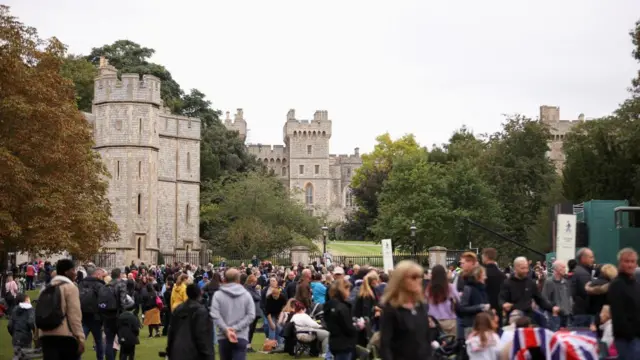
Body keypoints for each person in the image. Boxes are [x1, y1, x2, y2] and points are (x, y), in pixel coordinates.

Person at [379, 260, 434, 360]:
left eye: (419, 277)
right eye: (413, 277)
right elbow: (385, 346)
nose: (418, 280)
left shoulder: (420, 306)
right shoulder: (391, 310)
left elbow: (426, 340)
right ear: (400, 280)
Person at [38, 259, 86, 359]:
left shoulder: (45, 288)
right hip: (65, 335)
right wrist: (80, 337)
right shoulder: (70, 288)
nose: (75, 273)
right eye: (73, 270)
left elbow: (39, 312)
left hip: (45, 334)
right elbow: (74, 315)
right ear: (66, 272)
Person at [211, 268, 255, 360]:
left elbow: (215, 314)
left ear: (224, 279)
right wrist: (236, 328)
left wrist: (226, 329)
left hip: (223, 335)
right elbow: (251, 315)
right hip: (241, 335)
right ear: (238, 280)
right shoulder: (246, 295)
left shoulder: (218, 295)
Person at [499, 257, 558, 324]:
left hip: (529, 319)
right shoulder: (507, 283)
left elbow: (540, 300)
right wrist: (503, 304)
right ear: (515, 268)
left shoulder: (530, 283)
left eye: (526, 268)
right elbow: (501, 298)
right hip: (514, 319)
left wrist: (552, 308)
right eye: (522, 268)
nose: (526, 270)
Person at [167, 283, 214, 360]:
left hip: (177, 351)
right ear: (199, 294)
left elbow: (171, 331)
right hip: (193, 352)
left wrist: (169, 350)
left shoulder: (178, 309)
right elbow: (203, 336)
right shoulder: (201, 311)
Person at [608, 248, 640, 358]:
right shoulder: (617, 284)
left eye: (633, 261)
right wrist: (631, 335)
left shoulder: (635, 283)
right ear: (620, 263)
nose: (630, 265)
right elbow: (618, 314)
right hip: (627, 340)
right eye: (626, 261)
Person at [101, 268, 134, 360]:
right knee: (123, 339)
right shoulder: (121, 284)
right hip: (118, 315)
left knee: (109, 341)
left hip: (108, 315)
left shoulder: (106, 285)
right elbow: (122, 301)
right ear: (119, 275)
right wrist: (125, 312)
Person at [324, 279, 358, 360]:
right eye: (348, 289)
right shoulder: (342, 307)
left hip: (334, 341)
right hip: (344, 343)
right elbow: (348, 327)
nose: (349, 293)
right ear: (344, 289)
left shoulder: (329, 305)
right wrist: (356, 329)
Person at [79, 267, 106, 360]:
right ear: (97, 274)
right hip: (96, 317)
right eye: (102, 275)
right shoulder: (100, 285)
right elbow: (103, 301)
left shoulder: (81, 283)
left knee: (81, 340)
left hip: (83, 315)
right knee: (98, 341)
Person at [426, 264, 459, 337]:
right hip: (450, 321)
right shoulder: (450, 287)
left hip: (434, 322)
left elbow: (426, 304)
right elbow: (458, 300)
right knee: (452, 344)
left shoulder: (428, 289)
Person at [459, 266, 490, 337]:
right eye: (484, 275)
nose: (486, 277)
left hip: (482, 324)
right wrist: (480, 307)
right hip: (471, 325)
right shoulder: (468, 288)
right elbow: (462, 308)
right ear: (478, 276)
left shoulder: (483, 288)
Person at [541, 260, 571, 330]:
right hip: (555, 316)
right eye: (563, 267)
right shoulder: (549, 282)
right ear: (557, 269)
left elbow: (568, 297)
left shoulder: (565, 282)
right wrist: (553, 307)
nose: (565, 269)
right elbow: (544, 298)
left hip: (566, 315)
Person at [571, 247, 595, 327]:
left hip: (578, 311)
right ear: (583, 258)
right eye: (591, 257)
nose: (593, 259)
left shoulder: (577, 271)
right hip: (583, 313)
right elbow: (587, 293)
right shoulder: (583, 273)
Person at [8, 293, 35, 359]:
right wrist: (35, 331)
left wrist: (14, 333)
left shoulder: (14, 310)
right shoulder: (30, 309)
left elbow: (10, 325)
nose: (29, 300)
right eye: (28, 299)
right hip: (26, 337)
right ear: (25, 300)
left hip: (16, 337)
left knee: (17, 355)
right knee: (27, 355)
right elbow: (31, 322)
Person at [244, 274, 262, 352]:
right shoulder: (247, 289)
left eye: (255, 282)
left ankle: (249, 345)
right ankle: (246, 346)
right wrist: (257, 296)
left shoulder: (253, 289)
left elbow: (258, 297)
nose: (255, 283)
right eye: (254, 282)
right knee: (249, 329)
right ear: (250, 281)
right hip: (250, 312)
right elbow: (254, 297)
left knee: (252, 330)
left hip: (255, 312)